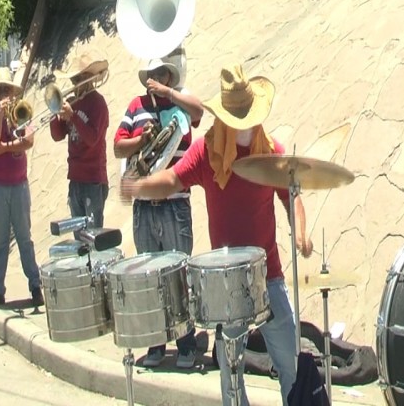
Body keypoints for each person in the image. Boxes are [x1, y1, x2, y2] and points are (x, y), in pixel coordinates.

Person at [121, 63, 314, 406]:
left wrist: (301, 231)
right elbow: (172, 180)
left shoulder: (271, 150)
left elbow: (293, 194)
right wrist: (139, 186)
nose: (245, 125)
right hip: (224, 285)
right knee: (229, 371)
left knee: (292, 366)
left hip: (268, 276)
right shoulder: (207, 151)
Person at [113, 54, 204, 369]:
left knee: (178, 274)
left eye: (162, 73)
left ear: (169, 77)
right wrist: (142, 139)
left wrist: (170, 95)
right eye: (152, 72)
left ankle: (186, 344)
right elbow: (117, 146)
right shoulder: (136, 106)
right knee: (149, 273)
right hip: (145, 206)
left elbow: (199, 112)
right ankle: (155, 344)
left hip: (175, 201)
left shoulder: (180, 104)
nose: (156, 77)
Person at [0, 67, 43, 307]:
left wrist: (5, 147)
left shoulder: (21, 111)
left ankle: (35, 285)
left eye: (7, 89)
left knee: (25, 238)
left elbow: (29, 140)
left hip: (18, 185)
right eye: (1, 89)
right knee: (1, 241)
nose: (4, 93)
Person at [49, 49, 110, 227]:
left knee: (93, 235)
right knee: (79, 238)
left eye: (78, 79)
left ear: (88, 78)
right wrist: (55, 112)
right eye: (73, 79)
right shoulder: (71, 101)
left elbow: (93, 139)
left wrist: (73, 115)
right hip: (75, 178)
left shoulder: (98, 103)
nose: (74, 83)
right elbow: (57, 135)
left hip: (93, 178)